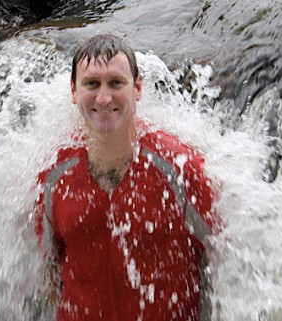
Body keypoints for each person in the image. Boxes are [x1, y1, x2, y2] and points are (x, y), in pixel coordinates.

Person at [35, 34, 219, 321]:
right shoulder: (53, 177)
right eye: (92, 84)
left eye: (116, 83)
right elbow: (49, 275)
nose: (104, 97)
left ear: (138, 88)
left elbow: (225, 262)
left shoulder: (180, 169)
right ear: (73, 91)